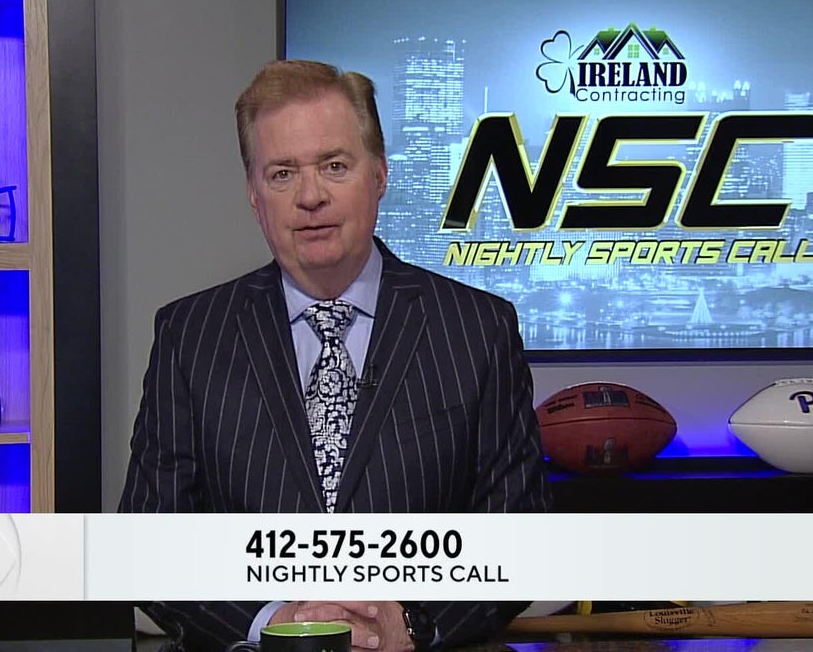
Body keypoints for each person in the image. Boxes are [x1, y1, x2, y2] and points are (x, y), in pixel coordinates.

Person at [118, 59, 552, 652]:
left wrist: (410, 623)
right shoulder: (190, 336)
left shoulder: (478, 329)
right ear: (254, 196)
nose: (310, 196)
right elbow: (147, 545)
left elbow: (519, 539)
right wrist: (271, 619)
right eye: (282, 174)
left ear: (379, 174)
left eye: (334, 166)